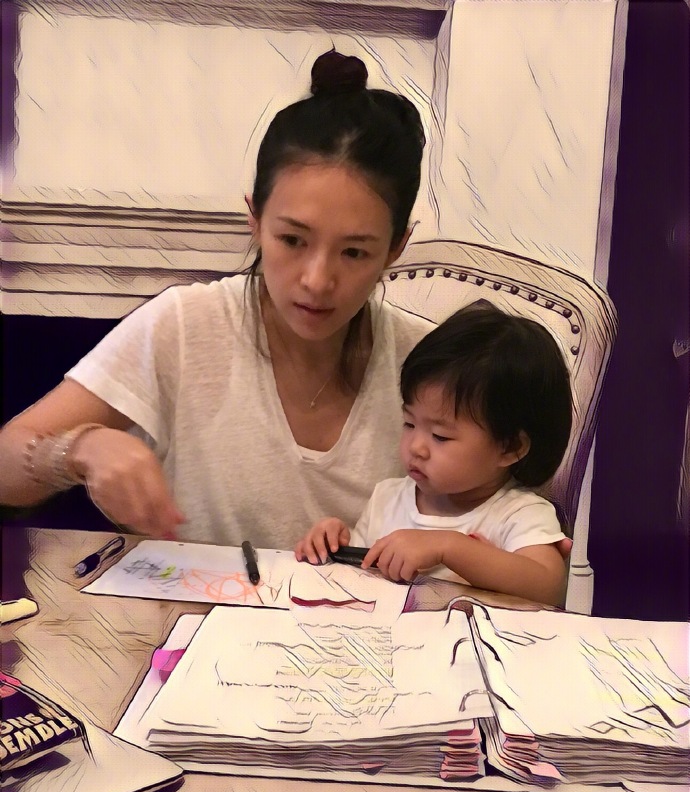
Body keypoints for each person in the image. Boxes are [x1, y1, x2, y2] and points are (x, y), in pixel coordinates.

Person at [0, 50, 433, 549]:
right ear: (255, 219)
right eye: (292, 240)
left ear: (396, 247)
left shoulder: (430, 362)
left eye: (354, 252)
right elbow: (8, 462)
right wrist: (81, 449)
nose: (316, 281)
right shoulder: (185, 325)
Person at [295, 301, 573, 606]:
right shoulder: (387, 499)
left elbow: (548, 587)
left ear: (510, 447)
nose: (416, 446)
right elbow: (360, 579)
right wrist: (334, 546)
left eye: (440, 436)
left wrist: (450, 547)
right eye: (409, 423)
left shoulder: (517, 513)